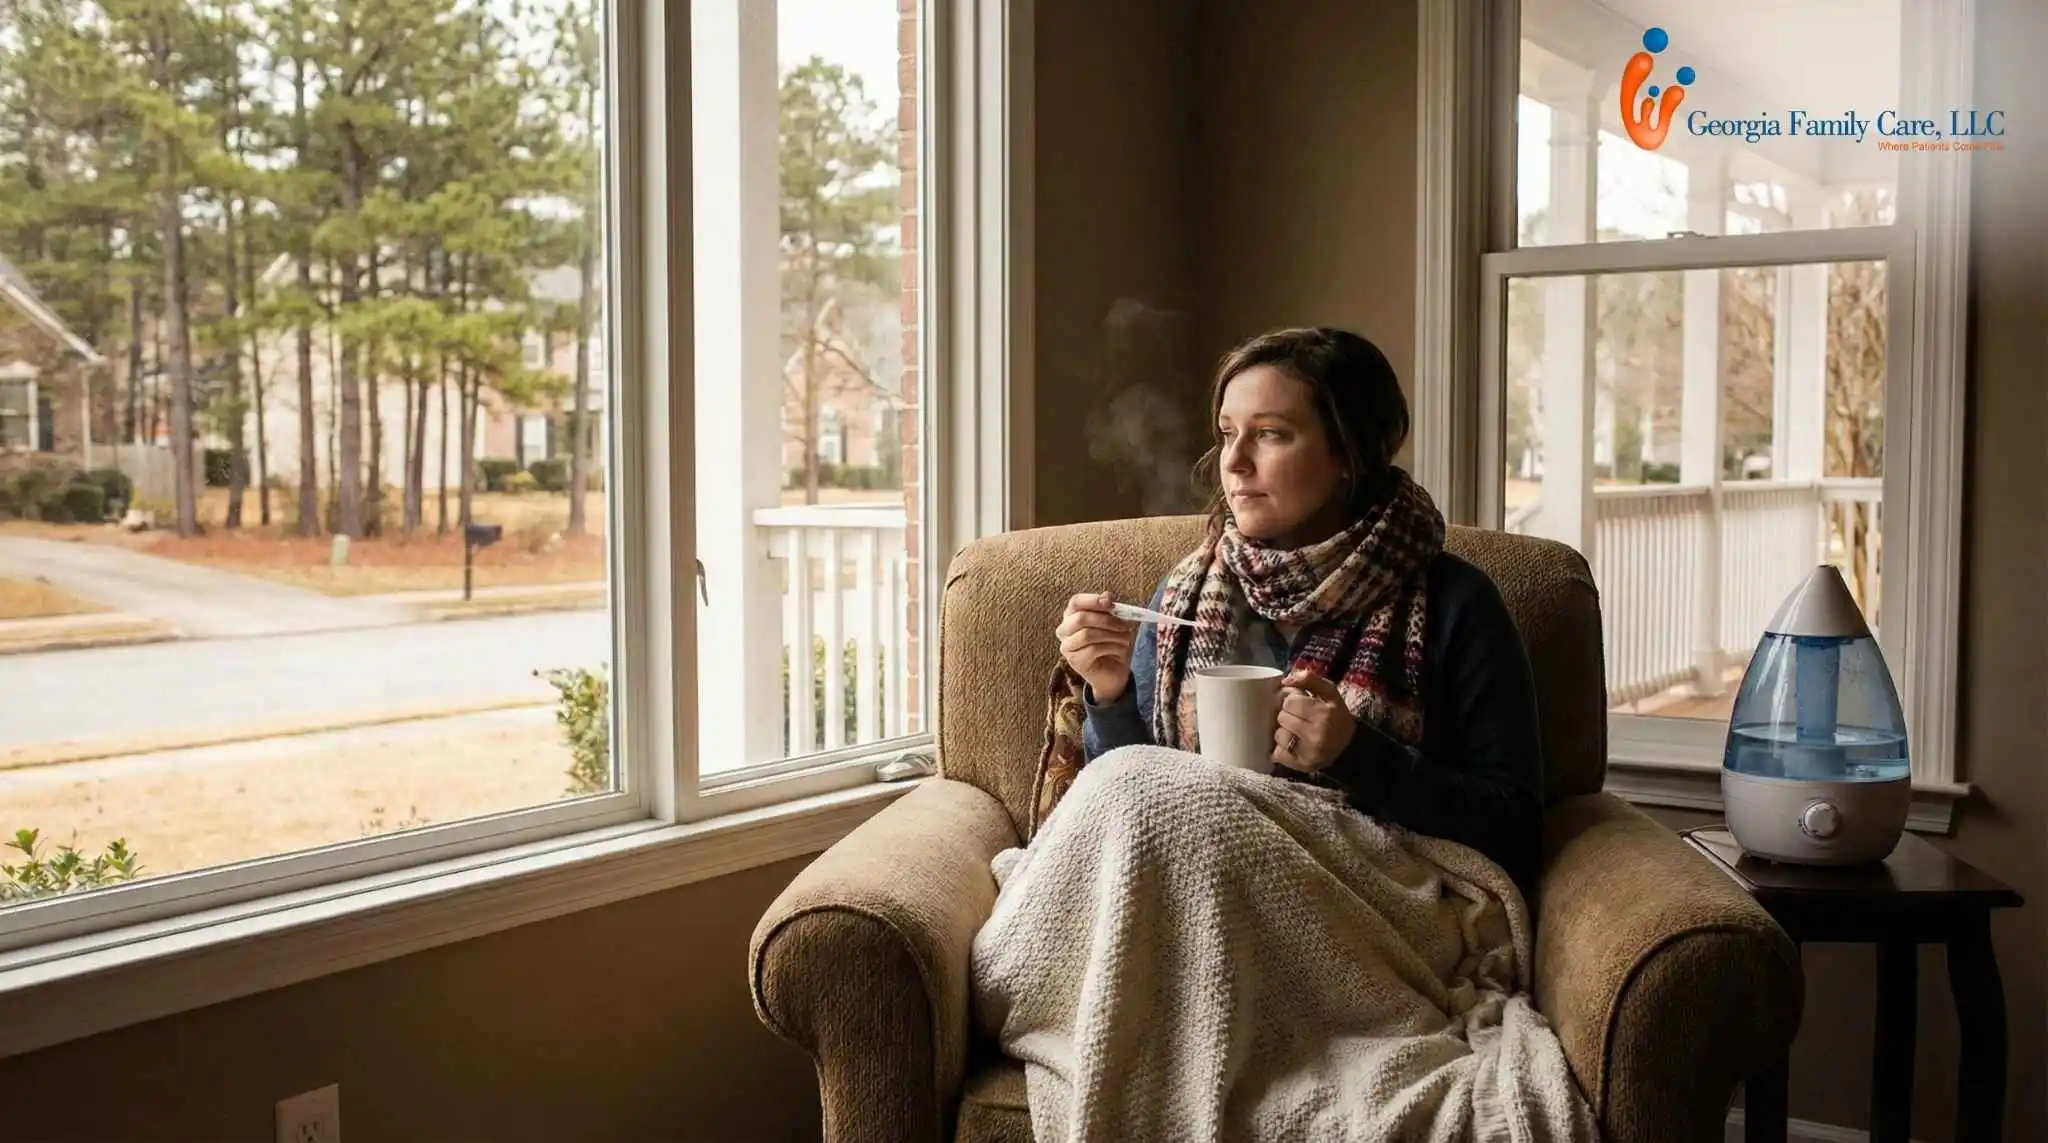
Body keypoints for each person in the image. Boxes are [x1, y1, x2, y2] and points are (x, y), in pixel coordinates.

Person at [1053, 325, 1545, 897]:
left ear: (1348, 454)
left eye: (1270, 434)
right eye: (1227, 433)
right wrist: (1110, 694)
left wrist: (1358, 753)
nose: (1233, 463)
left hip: (1362, 899)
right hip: (1190, 891)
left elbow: (1517, 829)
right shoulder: (1183, 594)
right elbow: (1128, 807)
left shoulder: (1457, 604)